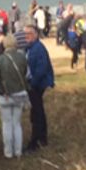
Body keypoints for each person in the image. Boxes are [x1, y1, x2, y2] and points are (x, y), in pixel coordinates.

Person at [0, 34, 29, 159]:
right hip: (19, 94)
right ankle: (18, 151)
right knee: (16, 124)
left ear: (4, 44)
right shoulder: (22, 57)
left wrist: (1, 90)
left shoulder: (0, 59)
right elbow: (25, 74)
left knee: (6, 124)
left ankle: (8, 152)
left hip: (5, 96)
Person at [24, 25, 55, 153]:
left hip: (37, 84)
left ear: (36, 34)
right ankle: (42, 138)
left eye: (29, 34)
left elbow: (41, 69)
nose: (26, 37)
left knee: (37, 112)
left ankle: (35, 141)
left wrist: (33, 84)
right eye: (25, 34)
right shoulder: (29, 48)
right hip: (34, 83)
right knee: (38, 110)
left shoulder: (38, 48)